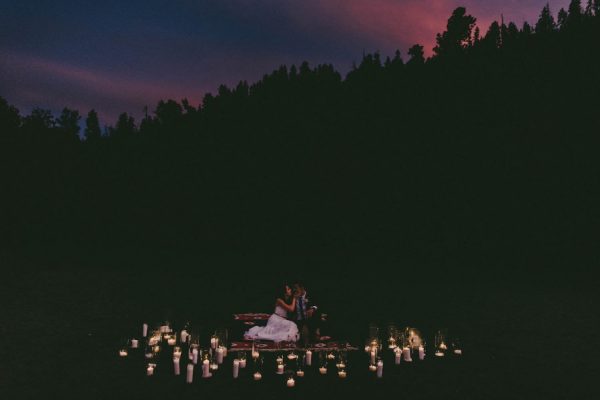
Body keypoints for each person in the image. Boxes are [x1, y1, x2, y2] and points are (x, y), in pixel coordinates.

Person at [292, 281, 322, 346]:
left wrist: (312, 309)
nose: (294, 290)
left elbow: (318, 304)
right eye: (293, 288)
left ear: (302, 288)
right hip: (297, 321)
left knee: (306, 329)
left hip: (309, 320)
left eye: (296, 288)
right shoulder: (293, 297)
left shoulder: (310, 295)